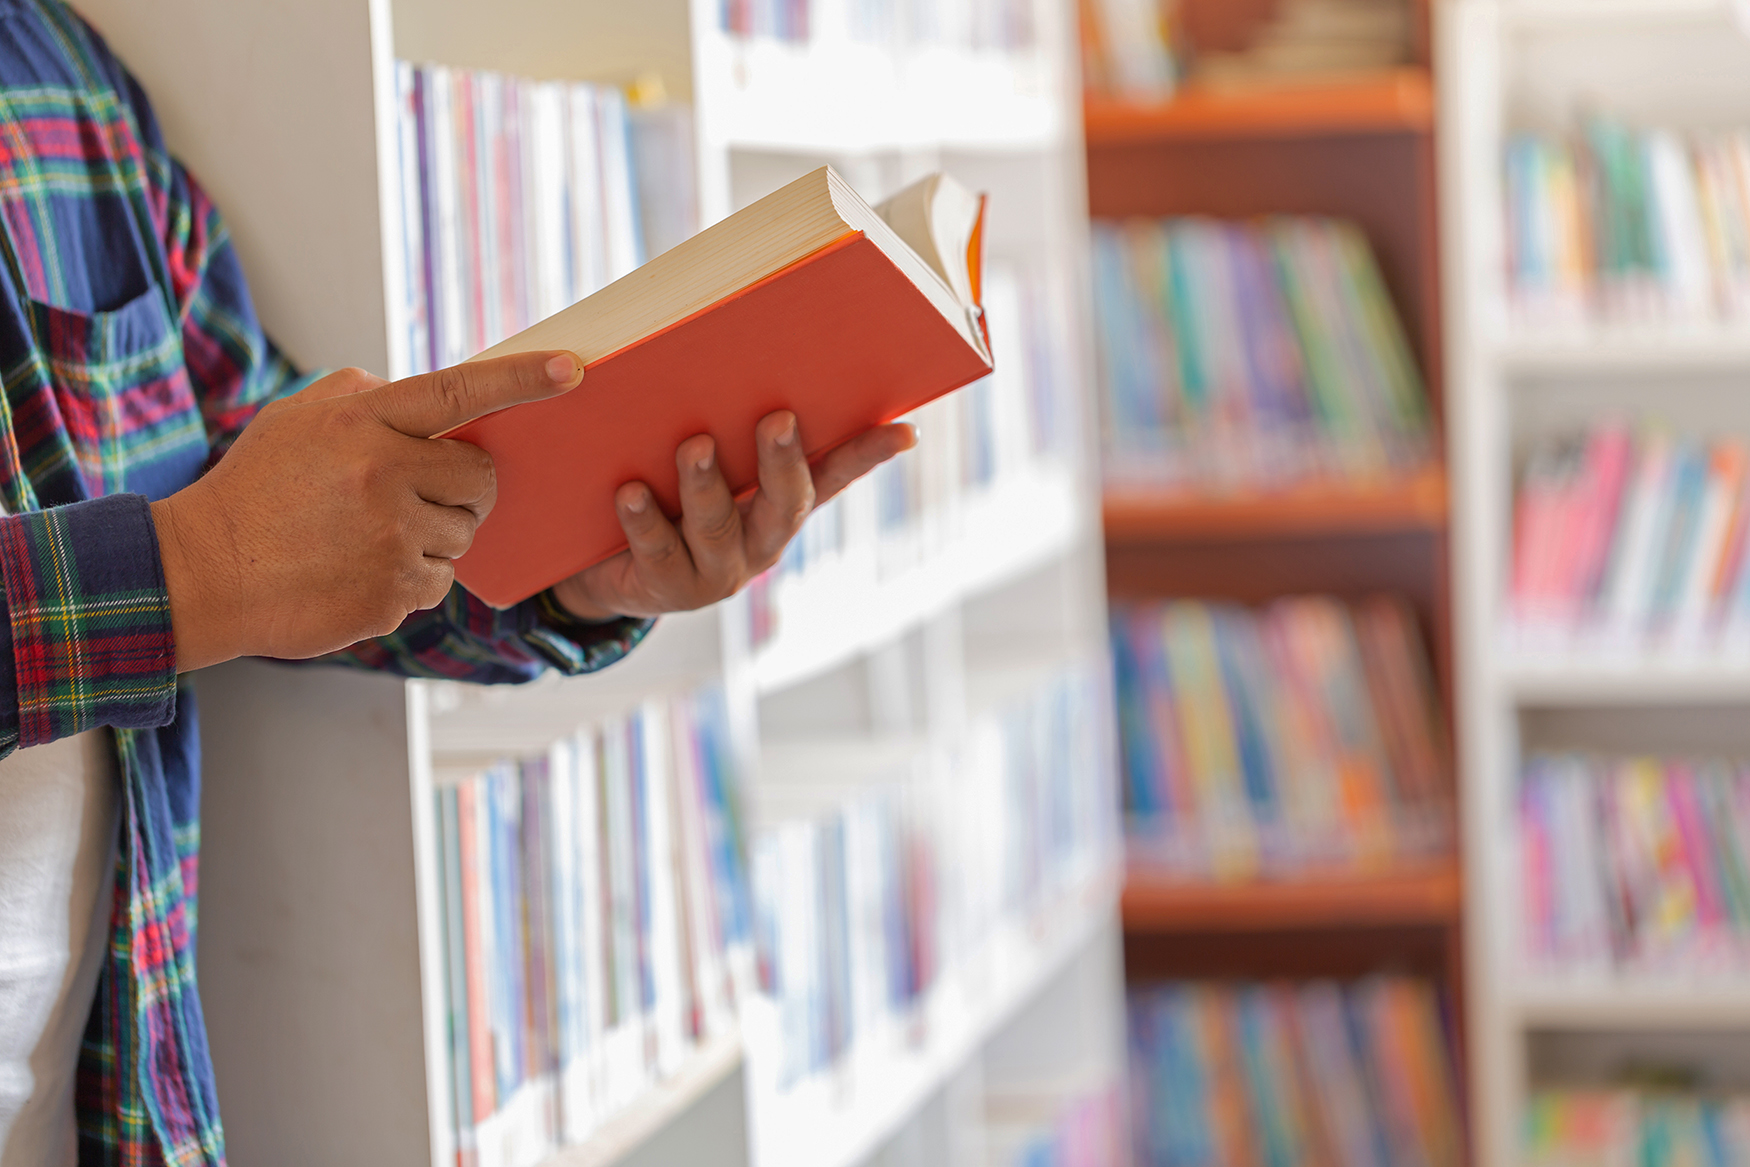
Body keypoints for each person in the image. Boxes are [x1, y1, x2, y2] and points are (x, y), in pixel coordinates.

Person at [0, 2, 916, 1164]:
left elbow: (276, 508)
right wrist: (191, 570)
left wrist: (569, 569)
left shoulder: (64, 84)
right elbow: (219, 554)